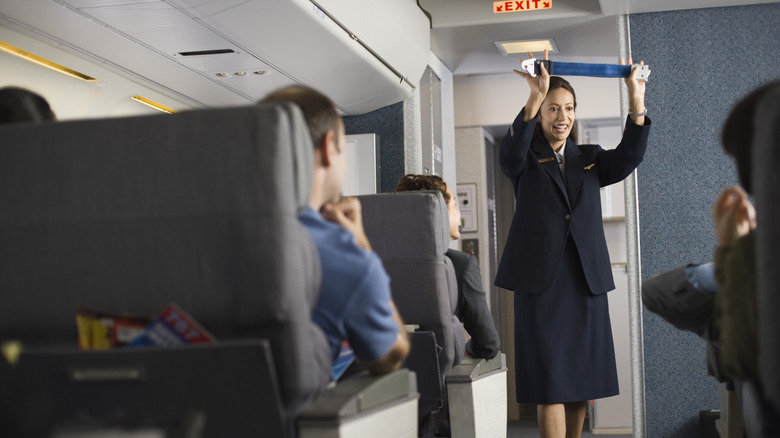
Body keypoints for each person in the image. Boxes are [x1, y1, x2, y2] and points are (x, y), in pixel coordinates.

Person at [494, 50, 651, 438]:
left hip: (584, 281)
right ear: (541, 115)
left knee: (582, 381)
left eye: (568, 108)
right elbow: (509, 155)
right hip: (541, 283)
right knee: (549, 385)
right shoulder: (525, 159)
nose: (561, 116)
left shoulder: (590, 159)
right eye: (552, 109)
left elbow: (630, 156)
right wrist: (535, 95)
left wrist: (636, 99)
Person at [260, 86, 410, 377]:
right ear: (329, 147)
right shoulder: (345, 257)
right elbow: (389, 356)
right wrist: (362, 247)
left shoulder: (195, 234)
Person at [395, 174, 501, 359]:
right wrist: (466, 347)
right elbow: (488, 344)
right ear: (440, 213)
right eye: (455, 206)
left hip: (387, 365)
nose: (459, 214)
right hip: (440, 370)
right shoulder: (461, 265)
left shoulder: (377, 262)